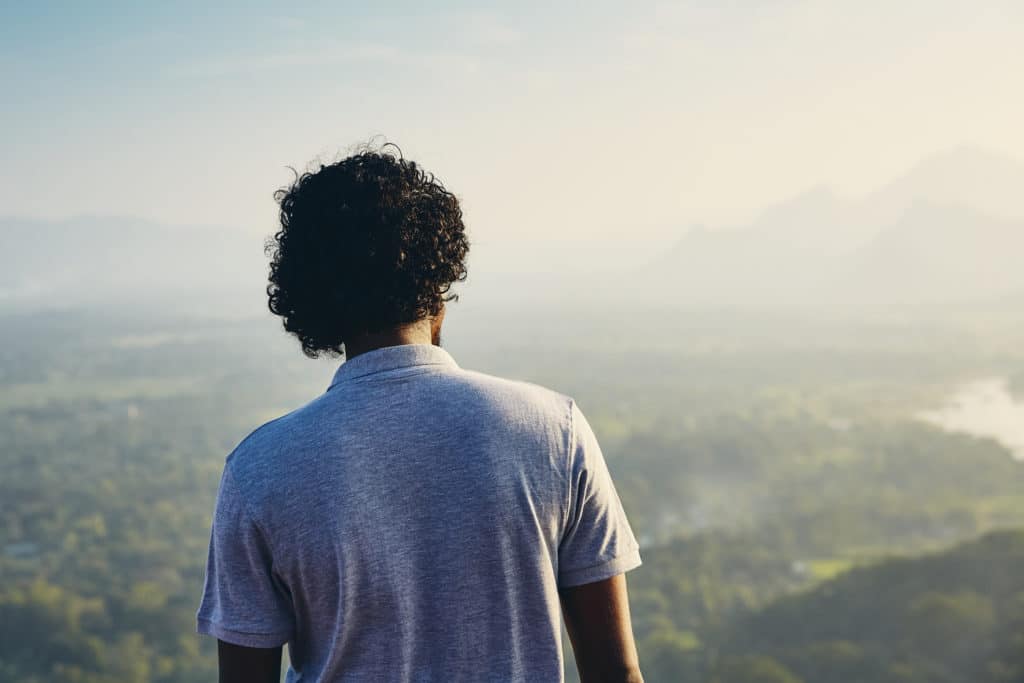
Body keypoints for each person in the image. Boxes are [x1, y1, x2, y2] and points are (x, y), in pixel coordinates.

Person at [196, 144, 644, 682]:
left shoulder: (259, 470)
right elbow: (615, 671)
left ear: (314, 299)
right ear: (439, 281)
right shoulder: (555, 430)